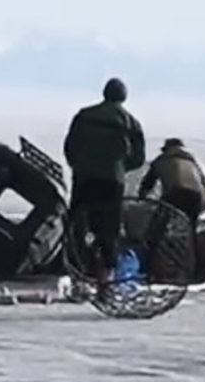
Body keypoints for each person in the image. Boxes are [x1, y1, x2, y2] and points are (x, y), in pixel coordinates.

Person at [63, 77, 146, 285]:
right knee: (109, 230)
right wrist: (119, 167)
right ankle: (104, 276)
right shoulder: (131, 123)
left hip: (84, 178)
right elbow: (138, 158)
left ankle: (75, 269)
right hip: (112, 181)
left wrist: (79, 165)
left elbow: (70, 146)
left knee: (77, 225)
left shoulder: (84, 116)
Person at [137, 138, 205, 225]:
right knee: (191, 226)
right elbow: (204, 184)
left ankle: (152, 236)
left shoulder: (160, 160)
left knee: (158, 224)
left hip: (175, 194)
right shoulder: (192, 162)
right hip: (197, 197)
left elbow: (147, 184)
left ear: (165, 149)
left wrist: (141, 198)